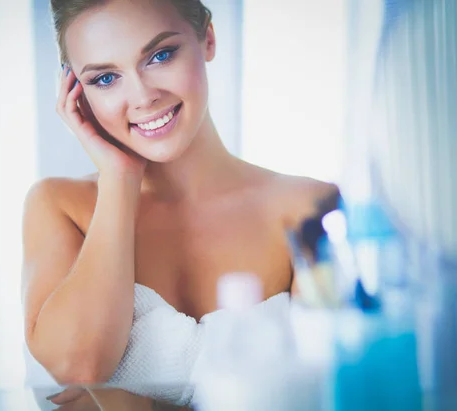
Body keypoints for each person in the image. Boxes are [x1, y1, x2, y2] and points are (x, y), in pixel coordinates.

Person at [21, 0, 337, 392]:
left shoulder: (310, 207)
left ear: (207, 37)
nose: (142, 97)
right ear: (76, 91)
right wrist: (119, 179)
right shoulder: (60, 206)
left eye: (160, 55)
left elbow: (333, 390)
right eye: (105, 78)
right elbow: (80, 369)